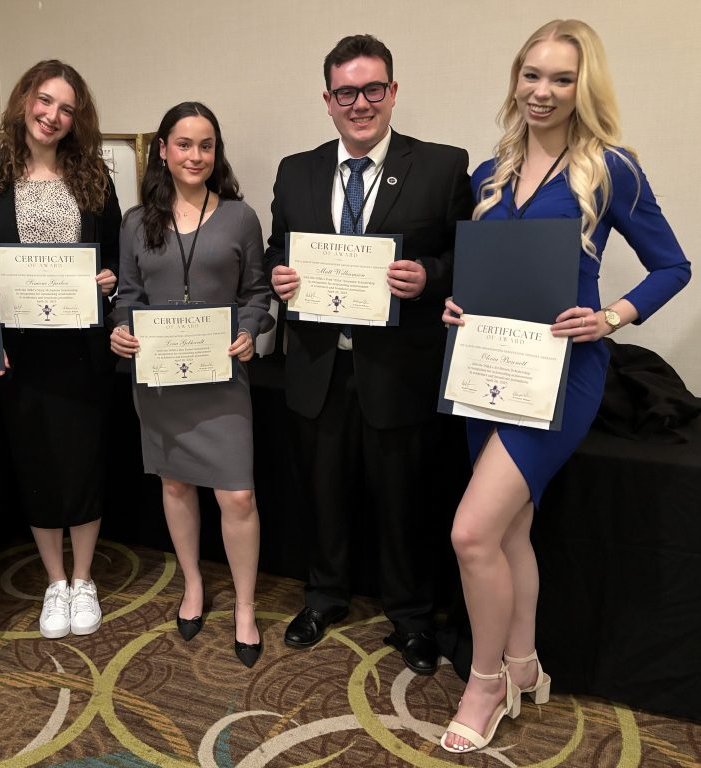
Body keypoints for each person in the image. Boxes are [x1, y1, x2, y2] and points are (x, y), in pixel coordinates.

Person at [439, 20, 691, 753]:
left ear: (585, 86)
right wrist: (458, 303)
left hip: (562, 375)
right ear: (515, 79)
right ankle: (525, 665)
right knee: (511, 529)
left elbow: (672, 267)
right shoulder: (492, 170)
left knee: (471, 532)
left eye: (560, 78)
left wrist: (611, 316)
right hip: (487, 366)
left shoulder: (610, 168)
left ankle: (485, 682)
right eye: (532, 75)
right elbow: (490, 271)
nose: (542, 92)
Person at [264, 34, 473, 672]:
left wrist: (430, 278)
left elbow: (467, 259)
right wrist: (279, 276)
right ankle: (324, 596)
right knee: (322, 492)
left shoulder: (440, 165)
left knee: (403, 498)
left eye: (372, 89)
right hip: (319, 367)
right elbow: (279, 249)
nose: (360, 103)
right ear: (328, 100)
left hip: (398, 368)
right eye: (346, 92)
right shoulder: (295, 169)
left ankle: (411, 617)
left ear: (392, 92)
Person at [111, 102, 273, 668]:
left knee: (238, 495)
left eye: (206, 145)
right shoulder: (136, 221)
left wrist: (251, 331)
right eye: (184, 144)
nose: (195, 155)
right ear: (163, 149)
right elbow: (127, 296)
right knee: (176, 486)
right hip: (158, 378)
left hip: (222, 375)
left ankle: (246, 607)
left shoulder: (240, 217)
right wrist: (121, 331)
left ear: (216, 152)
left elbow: (258, 294)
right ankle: (193, 586)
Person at [0, 60, 121, 640]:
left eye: (66, 108)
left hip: (82, 349)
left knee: (85, 459)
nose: (53, 116)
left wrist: (106, 278)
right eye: (44, 101)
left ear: (76, 119)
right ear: (23, 101)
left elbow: (110, 256)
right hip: (20, 350)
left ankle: (84, 579)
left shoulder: (94, 180)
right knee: (35, 461)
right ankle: (54, 582)